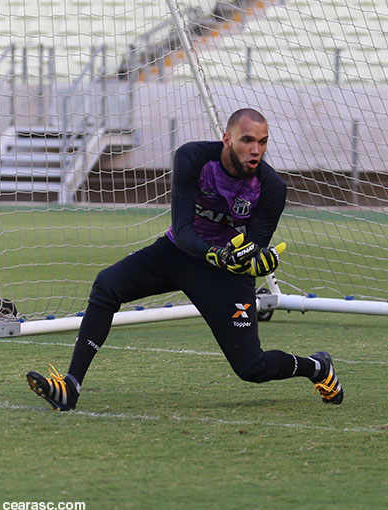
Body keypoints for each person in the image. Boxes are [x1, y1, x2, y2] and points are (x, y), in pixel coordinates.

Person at [26, 108, 343, 410]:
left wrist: (257, 262)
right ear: (227, 139)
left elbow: (253, 247)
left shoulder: (272, 187)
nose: (255, 149)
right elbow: (183, 229)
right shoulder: (192, 158)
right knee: (107, 284)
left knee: (251, 367)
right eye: (247, 140)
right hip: (177, 252)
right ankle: (71, 387)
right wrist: (219, 254)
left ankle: (317, 367)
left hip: (225, 276)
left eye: (262, 142)